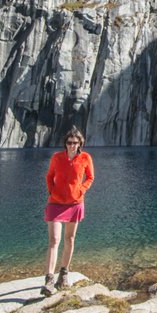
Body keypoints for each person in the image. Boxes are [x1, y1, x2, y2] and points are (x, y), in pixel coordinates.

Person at [42, 126, 94, 296]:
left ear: (80, 143)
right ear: (65, 143)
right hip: (55, 203)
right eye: (69, 142)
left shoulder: (85, 158)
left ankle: (63, 274)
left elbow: (90, 177)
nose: (72, 145)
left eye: (75, 142)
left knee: (69, 239)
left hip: (75, 203)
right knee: (54, 240)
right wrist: (51, 191)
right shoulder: (57, 157)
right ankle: (49, 280)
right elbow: (49, 176)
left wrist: (82, 190)